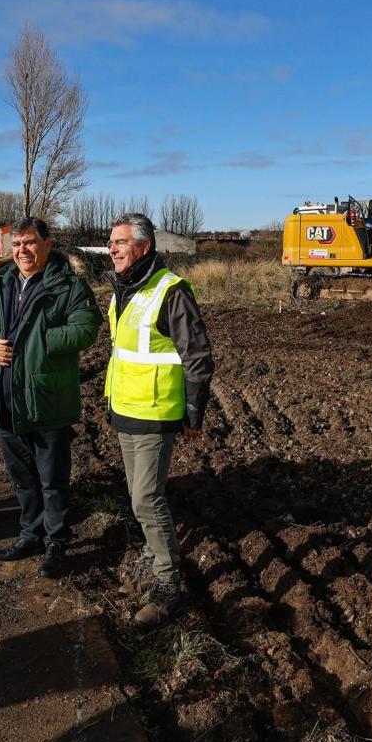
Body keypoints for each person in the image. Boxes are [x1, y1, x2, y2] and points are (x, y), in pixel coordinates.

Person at [0, 217, 100, 578]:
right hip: (5, 398)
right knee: (23, 479)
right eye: (16, 245)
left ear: (47, 244)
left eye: (29, 243)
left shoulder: (68, 285)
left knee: (52, 480)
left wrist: (38, 342)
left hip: (46, 400)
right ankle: (31, 534)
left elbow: (87, 327)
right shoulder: (0, 283)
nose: (22, 251)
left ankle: (56, 541)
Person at [104, 213, 214, 628]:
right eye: (111, 242)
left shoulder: (170, 291)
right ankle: (153, 557)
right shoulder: (124, 288)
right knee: (137, 494)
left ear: (144, 247)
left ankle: (169, 587)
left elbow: (198, 357)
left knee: (147, 499)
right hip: (127, 410)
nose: (112, 248)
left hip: (155, 412)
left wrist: (193, 411)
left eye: (120, 242)